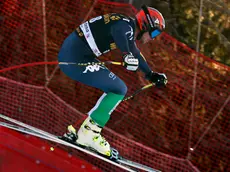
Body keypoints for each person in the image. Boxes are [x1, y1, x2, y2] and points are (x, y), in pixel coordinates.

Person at [58, 5, 167, 156]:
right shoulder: (125, 26)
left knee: (118, 88)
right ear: (146, 25)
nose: (152, 38)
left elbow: (135, 52)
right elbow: (118, 32)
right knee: (118, 89)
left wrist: (150, 74)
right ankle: (89, 134)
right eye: (154, 32)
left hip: (76, 55)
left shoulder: (126, 25)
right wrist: (125, 54)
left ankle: (87, 132)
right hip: (74, 59)